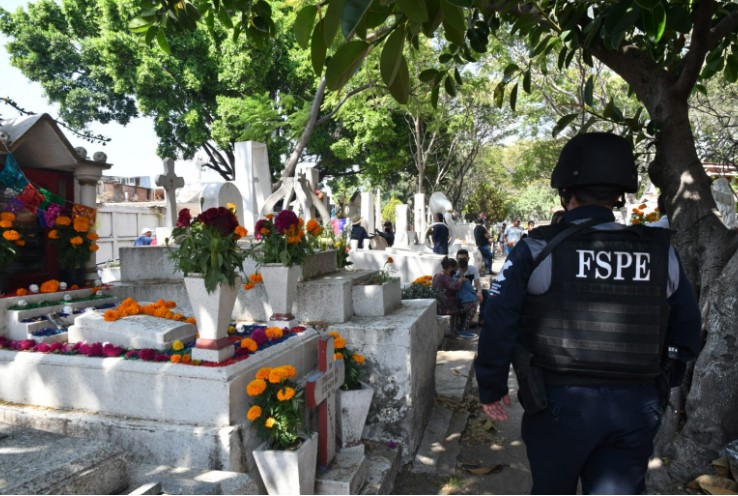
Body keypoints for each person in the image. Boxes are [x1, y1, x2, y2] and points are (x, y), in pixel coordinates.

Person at [474, 132, 701, 495]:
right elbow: (688, 332)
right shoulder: (660, 254)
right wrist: (656, 381)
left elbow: (500, 320)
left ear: (567, 193)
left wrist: (491, 385)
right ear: (618, 195)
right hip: (637, 405)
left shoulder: (537, 249)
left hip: (558, 404)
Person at [455, 248, 483, 338]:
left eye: (464, 259)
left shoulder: (472, 269)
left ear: (468, 259)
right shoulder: (453, 270)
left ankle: (482, 319)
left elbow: (477, 283)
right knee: (472, 303)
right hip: (458, 294)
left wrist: (479, 292)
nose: (462, 261)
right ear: (456, 259)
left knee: (486, 293)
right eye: (460, 259)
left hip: (469, 292)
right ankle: (465, 326)